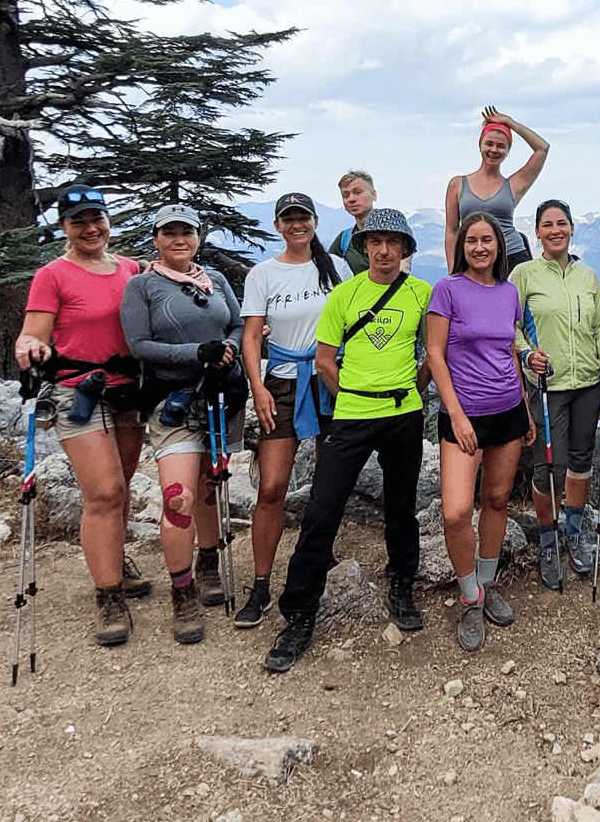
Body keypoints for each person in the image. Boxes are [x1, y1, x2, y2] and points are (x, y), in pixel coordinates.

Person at [264, 208, 434, 672]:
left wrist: (410, 393)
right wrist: (353, 398)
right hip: (354, 415)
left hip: (402, 414)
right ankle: (298, 614)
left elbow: (432, 352)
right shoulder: (345, 294)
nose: (383, 251)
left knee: (402, 507)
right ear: (363, 248)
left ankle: (401, 584)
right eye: (374, 242)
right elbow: (324, 361)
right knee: (322, 509)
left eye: (392, 243)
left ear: (405, 250)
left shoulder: (422, 293)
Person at [14, 184, 149, 646]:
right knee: (105, 492)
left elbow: (160, 293)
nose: (92, 228)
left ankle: (115, 562)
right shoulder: (52, 275)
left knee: (123, 486)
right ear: (64, 228)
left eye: (98, 218)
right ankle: (108, 595)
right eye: (79, 222)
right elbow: (32, 333)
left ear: (108, 221)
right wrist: (30, 348)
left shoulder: (131, 269)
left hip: (128, 390)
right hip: (77, 394)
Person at [118, 204, 244, 644]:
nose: (179, 239)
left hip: (219, 397)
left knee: (211, 486)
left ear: (197, 236)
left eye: (186, 232)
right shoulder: (142, 286)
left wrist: (226, 349)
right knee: (179, 498)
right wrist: (197, 354)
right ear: (156, 239)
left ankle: (208, 562)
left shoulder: (217, 280)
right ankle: (182, 588)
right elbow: (139, 346)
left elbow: (237, 325)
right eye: (169, 232)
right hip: (173, 403)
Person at [236, 192, 350, 628]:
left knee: (328, 481)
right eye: (289, 219)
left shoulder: (337, 268)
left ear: (315, 222)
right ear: (278, 225)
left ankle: (319, 555)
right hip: (283, 382)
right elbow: (250, 338)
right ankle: (262, 582)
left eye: (303, 218)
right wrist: (258, 388)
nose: (296, 225)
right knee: (272, 486)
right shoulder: (263, 273)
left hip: (329, 376)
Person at [427, 212, 535, 652]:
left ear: (498, 245)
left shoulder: (509, 292)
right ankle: (468, 593)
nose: (479, 248)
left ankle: (486, 585)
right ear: (461, 246)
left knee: (495, 500)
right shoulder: (447, 289)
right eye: (471, 240)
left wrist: (526, 411)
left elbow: (510, 351)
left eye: (486, 240)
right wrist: (455, 416)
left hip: (508, 409)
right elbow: (435, 355)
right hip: (464, 416)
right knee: (455, 511)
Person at [511, 199, 600, 589]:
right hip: (548, 386)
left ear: (572, 228)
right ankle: (547, 539)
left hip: (589, 382)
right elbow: (512, 326)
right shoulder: (523, 275)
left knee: (580, 460)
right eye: (547, 224)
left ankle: (573, 530)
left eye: (562, 223)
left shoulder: (588, 276)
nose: (555, 230)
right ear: (537, 231)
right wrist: (526, 353)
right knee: (548, 466)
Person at [444, 107, 548, 269]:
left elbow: (542, 148)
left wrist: (510, 123)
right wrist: (453, 268)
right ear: (480, 145)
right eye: (489, 144)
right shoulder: (458, 185)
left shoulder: (514, 185)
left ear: (508, 151)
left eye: (501, 146)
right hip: (474, 257)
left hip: (512, 257)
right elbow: (452, 231)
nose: (494, 150)